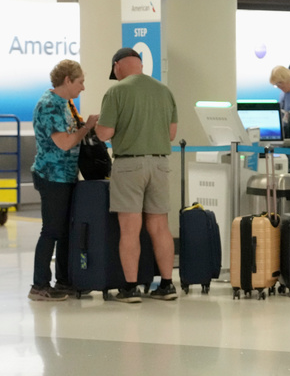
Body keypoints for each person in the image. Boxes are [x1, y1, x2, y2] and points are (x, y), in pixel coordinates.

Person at [95, 48, 178, 303]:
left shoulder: (117, 91)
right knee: (160, 227)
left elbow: (104, 134)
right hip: (160, 165)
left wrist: (97, 124)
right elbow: (171, 134)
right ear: (140, 65)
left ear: (117, 66)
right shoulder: (164, 91)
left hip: (129, 165)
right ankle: (166, 285)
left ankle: (130, 289)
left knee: (130, 229)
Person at [28, 60, 99, 301]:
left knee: (66, 231)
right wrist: (87, 126)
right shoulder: (49, 106)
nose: (83, 88)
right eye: (80, 82)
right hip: (52, 176)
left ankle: (64, 281)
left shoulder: (66, 104)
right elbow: (65, 142)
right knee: (51, 231)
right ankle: (39, 285)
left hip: (66, 176)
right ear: (67, 80)